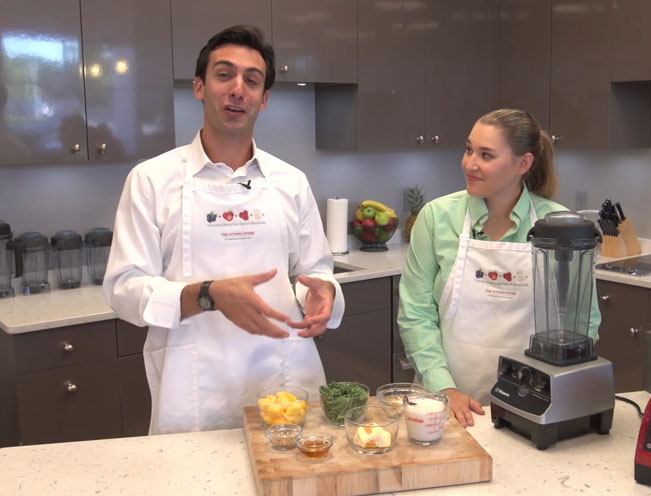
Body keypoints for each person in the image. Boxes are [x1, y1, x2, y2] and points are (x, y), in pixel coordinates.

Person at [104, 25, 344, 434]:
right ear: (199, 87)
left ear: (264, 99)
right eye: (224, 75)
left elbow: (314, 270)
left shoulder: (290, 181)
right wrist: (208, 294)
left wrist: (322, 293)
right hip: (193, 393)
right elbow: (124, 289)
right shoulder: (151, 179)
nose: (238, 89)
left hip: (286, 380)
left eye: (252, 80)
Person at [397, 109, 601, 427]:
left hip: (534, 406)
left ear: (523, 163)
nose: (470, 164)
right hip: (447, 407)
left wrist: (546, 392)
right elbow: (416, 314)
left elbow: (582, 322)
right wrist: (444, 388)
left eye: (486, 155)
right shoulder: (436, 217)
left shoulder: (559, 227)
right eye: (468, 150)